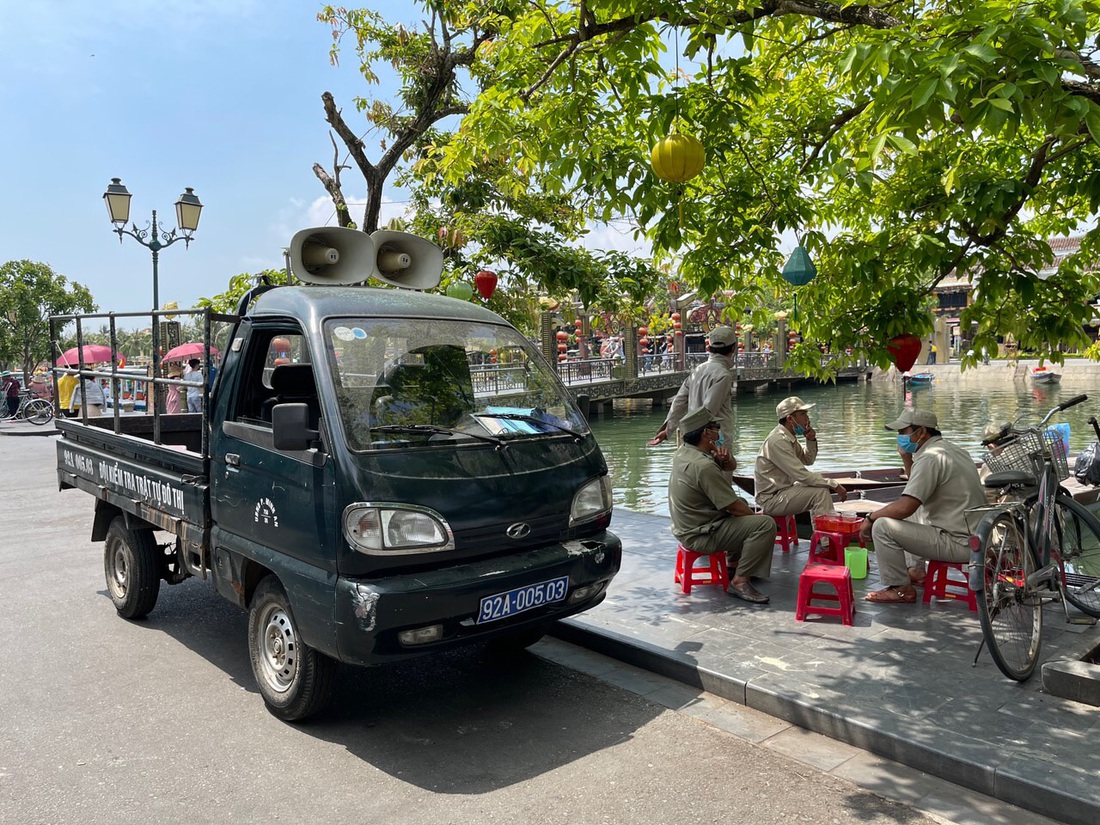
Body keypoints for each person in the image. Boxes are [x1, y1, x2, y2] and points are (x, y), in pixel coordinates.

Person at [862, 408, 986, 603]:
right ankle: (917, 570)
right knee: (911, 509)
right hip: (975, 537)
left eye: (903, 432)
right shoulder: (952, 450)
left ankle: (901, 589)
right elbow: (916, 490)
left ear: (921, 432)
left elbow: (905, 507)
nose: (899, 437)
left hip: (959, 542)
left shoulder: (930, 457)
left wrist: (870, 518)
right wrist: (906, 458)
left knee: (882, 526)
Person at [668, 408, 778, 603]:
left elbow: (729, 467)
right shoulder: (703, 466)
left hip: (686, 528)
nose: (719, 432)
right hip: (701, 534)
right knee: (764, 525)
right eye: (715, 427)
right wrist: (758, 519)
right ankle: (740, 581)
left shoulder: (685, 453)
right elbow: (734, 507)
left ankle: (734, 563)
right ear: (706, 433)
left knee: (743, 512)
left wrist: (724, 461)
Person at [754, 396, 847, 519]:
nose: (807, 419)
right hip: (772, 499)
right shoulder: (778, 441)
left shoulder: (788, 438)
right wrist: (834, 484)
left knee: (819, 487)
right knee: (820, 493)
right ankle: (824, 537)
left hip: (784, 491)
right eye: (803, 414)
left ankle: (822, 534)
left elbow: (808, 460)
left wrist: (811, 440)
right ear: (790, 418)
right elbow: (801, 475)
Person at [648, 326, 737, 447]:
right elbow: (708, 410)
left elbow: (679, 400)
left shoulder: (699, 369)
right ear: (733, 348)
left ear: (709, 348)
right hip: (713, 442)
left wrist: (668, 429)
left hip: (692, 438)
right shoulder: (723, 375)